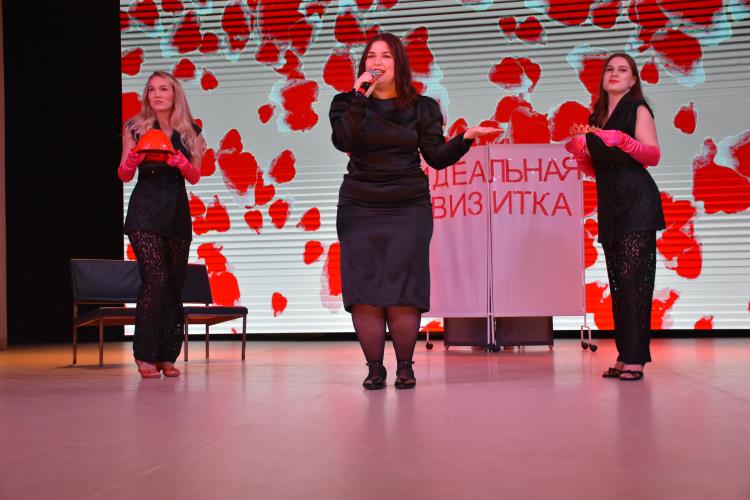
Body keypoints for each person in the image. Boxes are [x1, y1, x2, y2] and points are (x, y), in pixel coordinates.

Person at [329, 33, 500, 390]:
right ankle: (375, 368)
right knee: (364, 286)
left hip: (408, 206)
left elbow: (435, 157)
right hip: (359, 205)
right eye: (371, 56)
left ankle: (405, 366)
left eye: (386, 56)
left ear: (400, 64)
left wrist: (465, 139)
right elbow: (344, 140)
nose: (377, 62)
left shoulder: (422, 108)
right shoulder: (346, 103)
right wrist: (360, 96)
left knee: (405, 283)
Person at [565, 53, 665, 381]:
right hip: (610, 205)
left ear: (633, 80)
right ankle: (625, 355)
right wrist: (580, 154)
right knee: (619, 285)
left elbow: (653, 155)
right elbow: (598, 169)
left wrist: (623, 140)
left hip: (637, 201)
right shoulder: (597, 117)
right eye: (610, 69)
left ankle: (636, 359)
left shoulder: (638, 109)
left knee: (635, 283)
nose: (615, 74)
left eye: (623, 70)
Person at [118, 71, 206, 378]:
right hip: (144, 212)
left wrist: (181, 163)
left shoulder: (191, 130)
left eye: (164, 89)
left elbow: (195, 176)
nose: (157, 94)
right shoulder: (134, 127)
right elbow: (123, 174)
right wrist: (132, 161)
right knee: (155, 277)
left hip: (176, 213)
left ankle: (167, 356)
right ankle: (144, 354)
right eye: (152, 89)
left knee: (172, 284)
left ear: (174, 94)